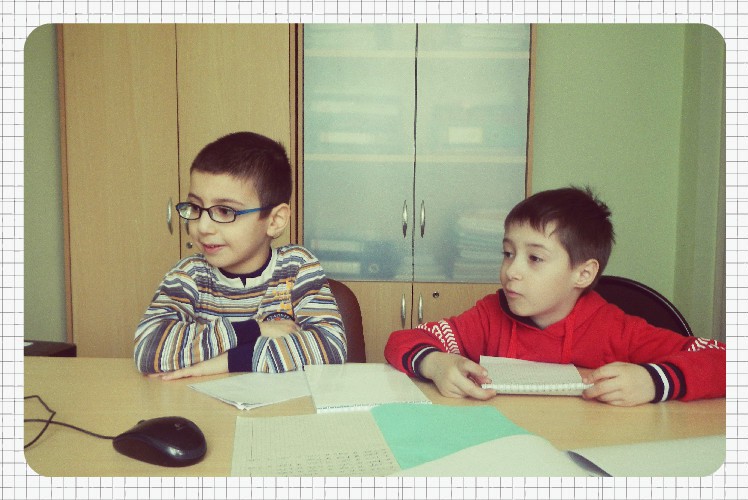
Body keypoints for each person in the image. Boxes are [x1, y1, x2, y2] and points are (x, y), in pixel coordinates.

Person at [385, 186, 725, 406]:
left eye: (535, 258)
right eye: (508, 253)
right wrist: (435, 363)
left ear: (583, 273)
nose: (511, 271)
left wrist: (653, 381)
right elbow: (402, 340)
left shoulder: (615, 329)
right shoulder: (488, 317)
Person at [134, 131, 346, 379]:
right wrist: (254, 330)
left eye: (225, 211)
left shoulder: (297, 267)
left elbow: (330, 347)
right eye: (195, 207)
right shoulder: (188, 275)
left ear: (275, 221)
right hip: (201, 400)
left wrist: (221, 363)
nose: (203, 227)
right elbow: (149, 349)